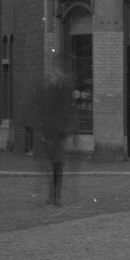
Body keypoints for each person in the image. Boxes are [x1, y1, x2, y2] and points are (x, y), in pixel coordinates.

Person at [39, 72, 76, 207]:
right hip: (51, 135)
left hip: (58, 136)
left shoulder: (63, 94)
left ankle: (56, 196)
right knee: (52, 168)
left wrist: (67, 130)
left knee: (57, 167)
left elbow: (69, 112)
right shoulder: (49, 94)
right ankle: (53, 196)